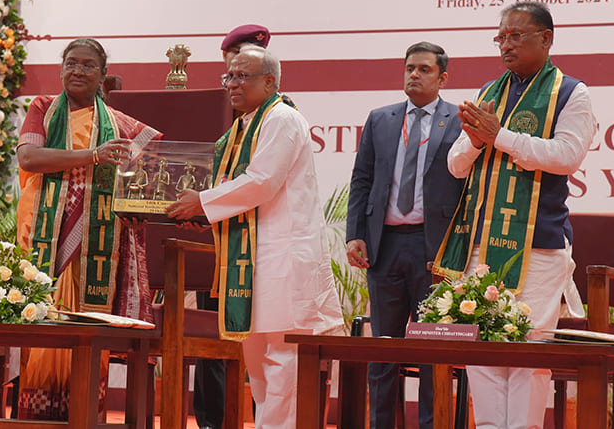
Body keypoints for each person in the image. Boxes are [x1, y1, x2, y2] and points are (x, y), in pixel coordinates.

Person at [433, 1, 594, 429]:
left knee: (527, 353)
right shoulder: (489, 93)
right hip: (480, 243)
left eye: (515, 36)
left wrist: (498, 135)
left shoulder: (570, 92)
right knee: (482, 350)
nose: (505, 45)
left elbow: (566, 156)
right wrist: (477, 141)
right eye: (500, 37)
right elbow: (455, 165)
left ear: (546, 38)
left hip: (539, 245)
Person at [166, 45, 343, 429]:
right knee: (258, 361)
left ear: (270, 81)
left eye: (242, 76)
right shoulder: (243, 126)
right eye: (228, 76)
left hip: (282, 256)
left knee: (282, 361)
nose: (232, 84)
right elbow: (228, 184)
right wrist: (202, 209)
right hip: (250, 259)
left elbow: (262, 182)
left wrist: (202, 203)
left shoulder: (281, 118)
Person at [15, 38, 162, 420]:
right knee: (42, 316)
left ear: (102, 76)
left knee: (86, 322)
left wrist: (140, 201)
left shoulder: (120, 125)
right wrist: (92, 156)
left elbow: (154, 166)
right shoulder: (44, 108)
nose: (77, 71)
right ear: (61, 68)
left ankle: (84, 414)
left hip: (96, 238)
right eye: (71, 63)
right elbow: (29, 158)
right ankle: (37, 417)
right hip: (45, 235)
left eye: (87, 65)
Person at [345, 41, 464, 429]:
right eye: (410, 68)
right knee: (384, 350)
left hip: (436, 249)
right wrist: (355, 234)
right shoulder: (380, 119)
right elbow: (362, 180)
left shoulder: (460, 120)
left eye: (424, 69)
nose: (414, 74)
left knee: (433, 348)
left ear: (442, 77)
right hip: (386, 245)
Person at [192, 23, 273, 429]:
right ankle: (212, 420)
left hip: (258, 244)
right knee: (215, 334)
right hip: (219, 239)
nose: (235, 79)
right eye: (232, 69)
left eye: (244, 71)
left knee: (259, 346)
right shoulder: (214, 113)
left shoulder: (273, 117)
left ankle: (261, 419)